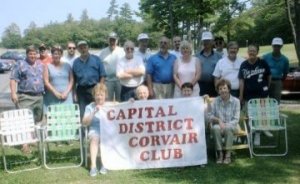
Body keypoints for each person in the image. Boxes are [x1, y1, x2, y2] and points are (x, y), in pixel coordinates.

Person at [10, 45, 44, 153]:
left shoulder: (40, 64)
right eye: (30, 53)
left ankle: (32, 138)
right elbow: (13, 79)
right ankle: (24, 144)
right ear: (27, 54)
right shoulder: (20, 64)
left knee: (36, 119)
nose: (33, 55)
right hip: (25, 96)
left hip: (39, 96)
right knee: (24, 120)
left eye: (34, 53)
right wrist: (13, 93)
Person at [238, 44, 272, 142]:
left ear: (257, 52)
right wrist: (241, 95)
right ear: (247, 52)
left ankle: (257, 134)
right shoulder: (244, 64)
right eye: (250, 50)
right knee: (249, 116)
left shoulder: (263, 63)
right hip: (249, 95)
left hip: (262, 95)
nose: (251, 52)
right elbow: (241, 80)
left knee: (261, 115)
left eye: (254, 50)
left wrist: (267, 87)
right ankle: (248, 134)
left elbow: (269, 76)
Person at [207, 79, 240, 164]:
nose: (223, 90)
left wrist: (225, 125)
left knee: (228, 128)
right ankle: (220, 153)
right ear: (218, 91)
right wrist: (218, 120)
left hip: (232, 126)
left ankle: (228, 154)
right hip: (219, 125)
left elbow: (236, 119)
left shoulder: (236, 101)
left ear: (229, 89)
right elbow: (210, 115)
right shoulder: (215, 101)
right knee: (215, 128)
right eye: (220, 89)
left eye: (224, 88)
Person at [73, 40, 106, 120]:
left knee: (97, 110)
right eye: (81, 48)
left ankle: (97, 129)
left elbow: (102, 75)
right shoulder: (76, 62)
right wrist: (74, 93)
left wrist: (100, 89)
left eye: (85, 47)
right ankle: (85, 131)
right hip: (81, 90)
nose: (83, 49)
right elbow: (74, 80)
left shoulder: (96, 59)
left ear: (88, 48)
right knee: (83, 112)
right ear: (78, 50)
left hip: (94, 88)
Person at [82, 83, 108, 177]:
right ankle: (93, 166)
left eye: (101, 95)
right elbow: (84, 122)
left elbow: (122, 106)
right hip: (95, 129)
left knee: (106, 138)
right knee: (95, 139)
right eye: (97, 95)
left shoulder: (109, 106)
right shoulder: (90, 107)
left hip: (108, 131)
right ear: (94, 96)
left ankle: (104, 164)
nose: (99, 97)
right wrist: (93, 112)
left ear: (105, 95)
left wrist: (130, 101)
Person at [99, 32, 125, 101]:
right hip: (107, 81)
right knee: (107, 100)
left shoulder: (122, 51)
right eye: (110, 40)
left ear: (117, 40)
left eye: (114, 40)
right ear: (108, 41)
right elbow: (100, 66)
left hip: (120, 80)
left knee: (120, 101)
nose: (112, 42)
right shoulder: (103, 52)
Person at [263, 37, 289, 104]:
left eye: (278, 46)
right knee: (264, 99)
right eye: (275, 46)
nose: (276, 47)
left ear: (281, 46)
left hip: (278, 81)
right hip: (266, 81)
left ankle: (275, 114)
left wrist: (280, 81)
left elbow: (285, 73)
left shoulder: (285, 59)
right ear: (272, 46)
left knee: (276, 101)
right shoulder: (265, 57)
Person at [196, 31, 222, 97]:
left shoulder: (218, 56)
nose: (206, 42)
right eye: (205, 40)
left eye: (208, 40)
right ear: (202, 42)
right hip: (200, 85)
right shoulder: (197, 56)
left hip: (214, 85)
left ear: (212, 42)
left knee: (213, 105)